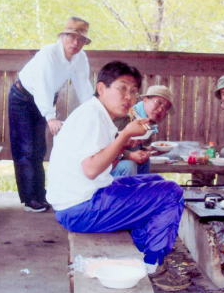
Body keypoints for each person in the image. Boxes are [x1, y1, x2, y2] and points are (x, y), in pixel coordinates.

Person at [47, 61, 186, 288]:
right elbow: (91, 170)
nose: (128, 97)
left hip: (83, 199)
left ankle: (143, 249)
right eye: (122, 88)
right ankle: (153, 265)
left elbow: (104, 168)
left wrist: (122, 143)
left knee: (155, 181)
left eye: (133, 91)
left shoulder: (98, 114)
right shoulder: (91, 116)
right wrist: (123, 138)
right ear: (101, 89)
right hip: (80, 209)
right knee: (171, 192)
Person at [8, 17, 94, 212]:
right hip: (22, 97)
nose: (75, 43)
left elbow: (83, 87)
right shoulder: (49, 54)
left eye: (80, 40)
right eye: (71, 37)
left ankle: (40, 194)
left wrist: (93, 111)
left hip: (44, 98)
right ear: (63, 36)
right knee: (26, 149)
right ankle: (30, 200)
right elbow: (42, 87)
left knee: (39, 148)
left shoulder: (80, 58)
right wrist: (50, 116)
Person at [111, 85, 174, 177]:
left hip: (121, 161)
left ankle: (141, 189)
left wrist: (150, 151)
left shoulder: (148, 122)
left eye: (166, 107)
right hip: (103, 170)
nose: (161, 109)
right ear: (145, 99)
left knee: (145, 162)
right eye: (158, 102)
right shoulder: (125, 116)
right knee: (129, 165)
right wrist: (129, 155)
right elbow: (106, 146)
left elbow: (134, 147)